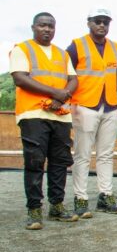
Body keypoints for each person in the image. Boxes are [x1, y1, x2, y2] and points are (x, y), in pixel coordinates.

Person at [11, 12, 79, 230]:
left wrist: (64, 96)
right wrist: (55, 94)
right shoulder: (23, 49)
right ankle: (34, 209)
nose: (47, 29)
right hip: (33, 115)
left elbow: (73, 79)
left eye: (50, 26)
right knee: (35, 161)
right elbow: (20, 78)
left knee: (59, 162)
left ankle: (57, 205)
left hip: (60, 116)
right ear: (33, 27)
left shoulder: (62, 54)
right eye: (42, 25)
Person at [68, 7, 117, 217]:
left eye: (105, 22)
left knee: (106, 154)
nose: (102, 25)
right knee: (82, 155)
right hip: (84, 104)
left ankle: (105, 196)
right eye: (97, 21)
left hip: (110, 105)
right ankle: (80, 198)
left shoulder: (116, 48)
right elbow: (68, 74)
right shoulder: (76, 46)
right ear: (88, 22)